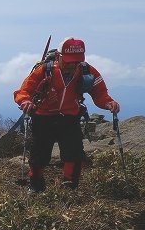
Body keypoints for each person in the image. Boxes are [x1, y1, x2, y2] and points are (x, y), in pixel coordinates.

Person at [13, 37, 120, 192]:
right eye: (68, 61)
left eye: (76, 62)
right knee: (39, 155)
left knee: (74, 155)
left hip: (70, 117)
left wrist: (108, 103)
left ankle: (69, 188)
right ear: (59, 56)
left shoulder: (86, 71)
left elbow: (100, 93)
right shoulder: (44, 70)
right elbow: (23, 91)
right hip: (43, 117)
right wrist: (25, 101)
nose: (72, 65)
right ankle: (36, 184)